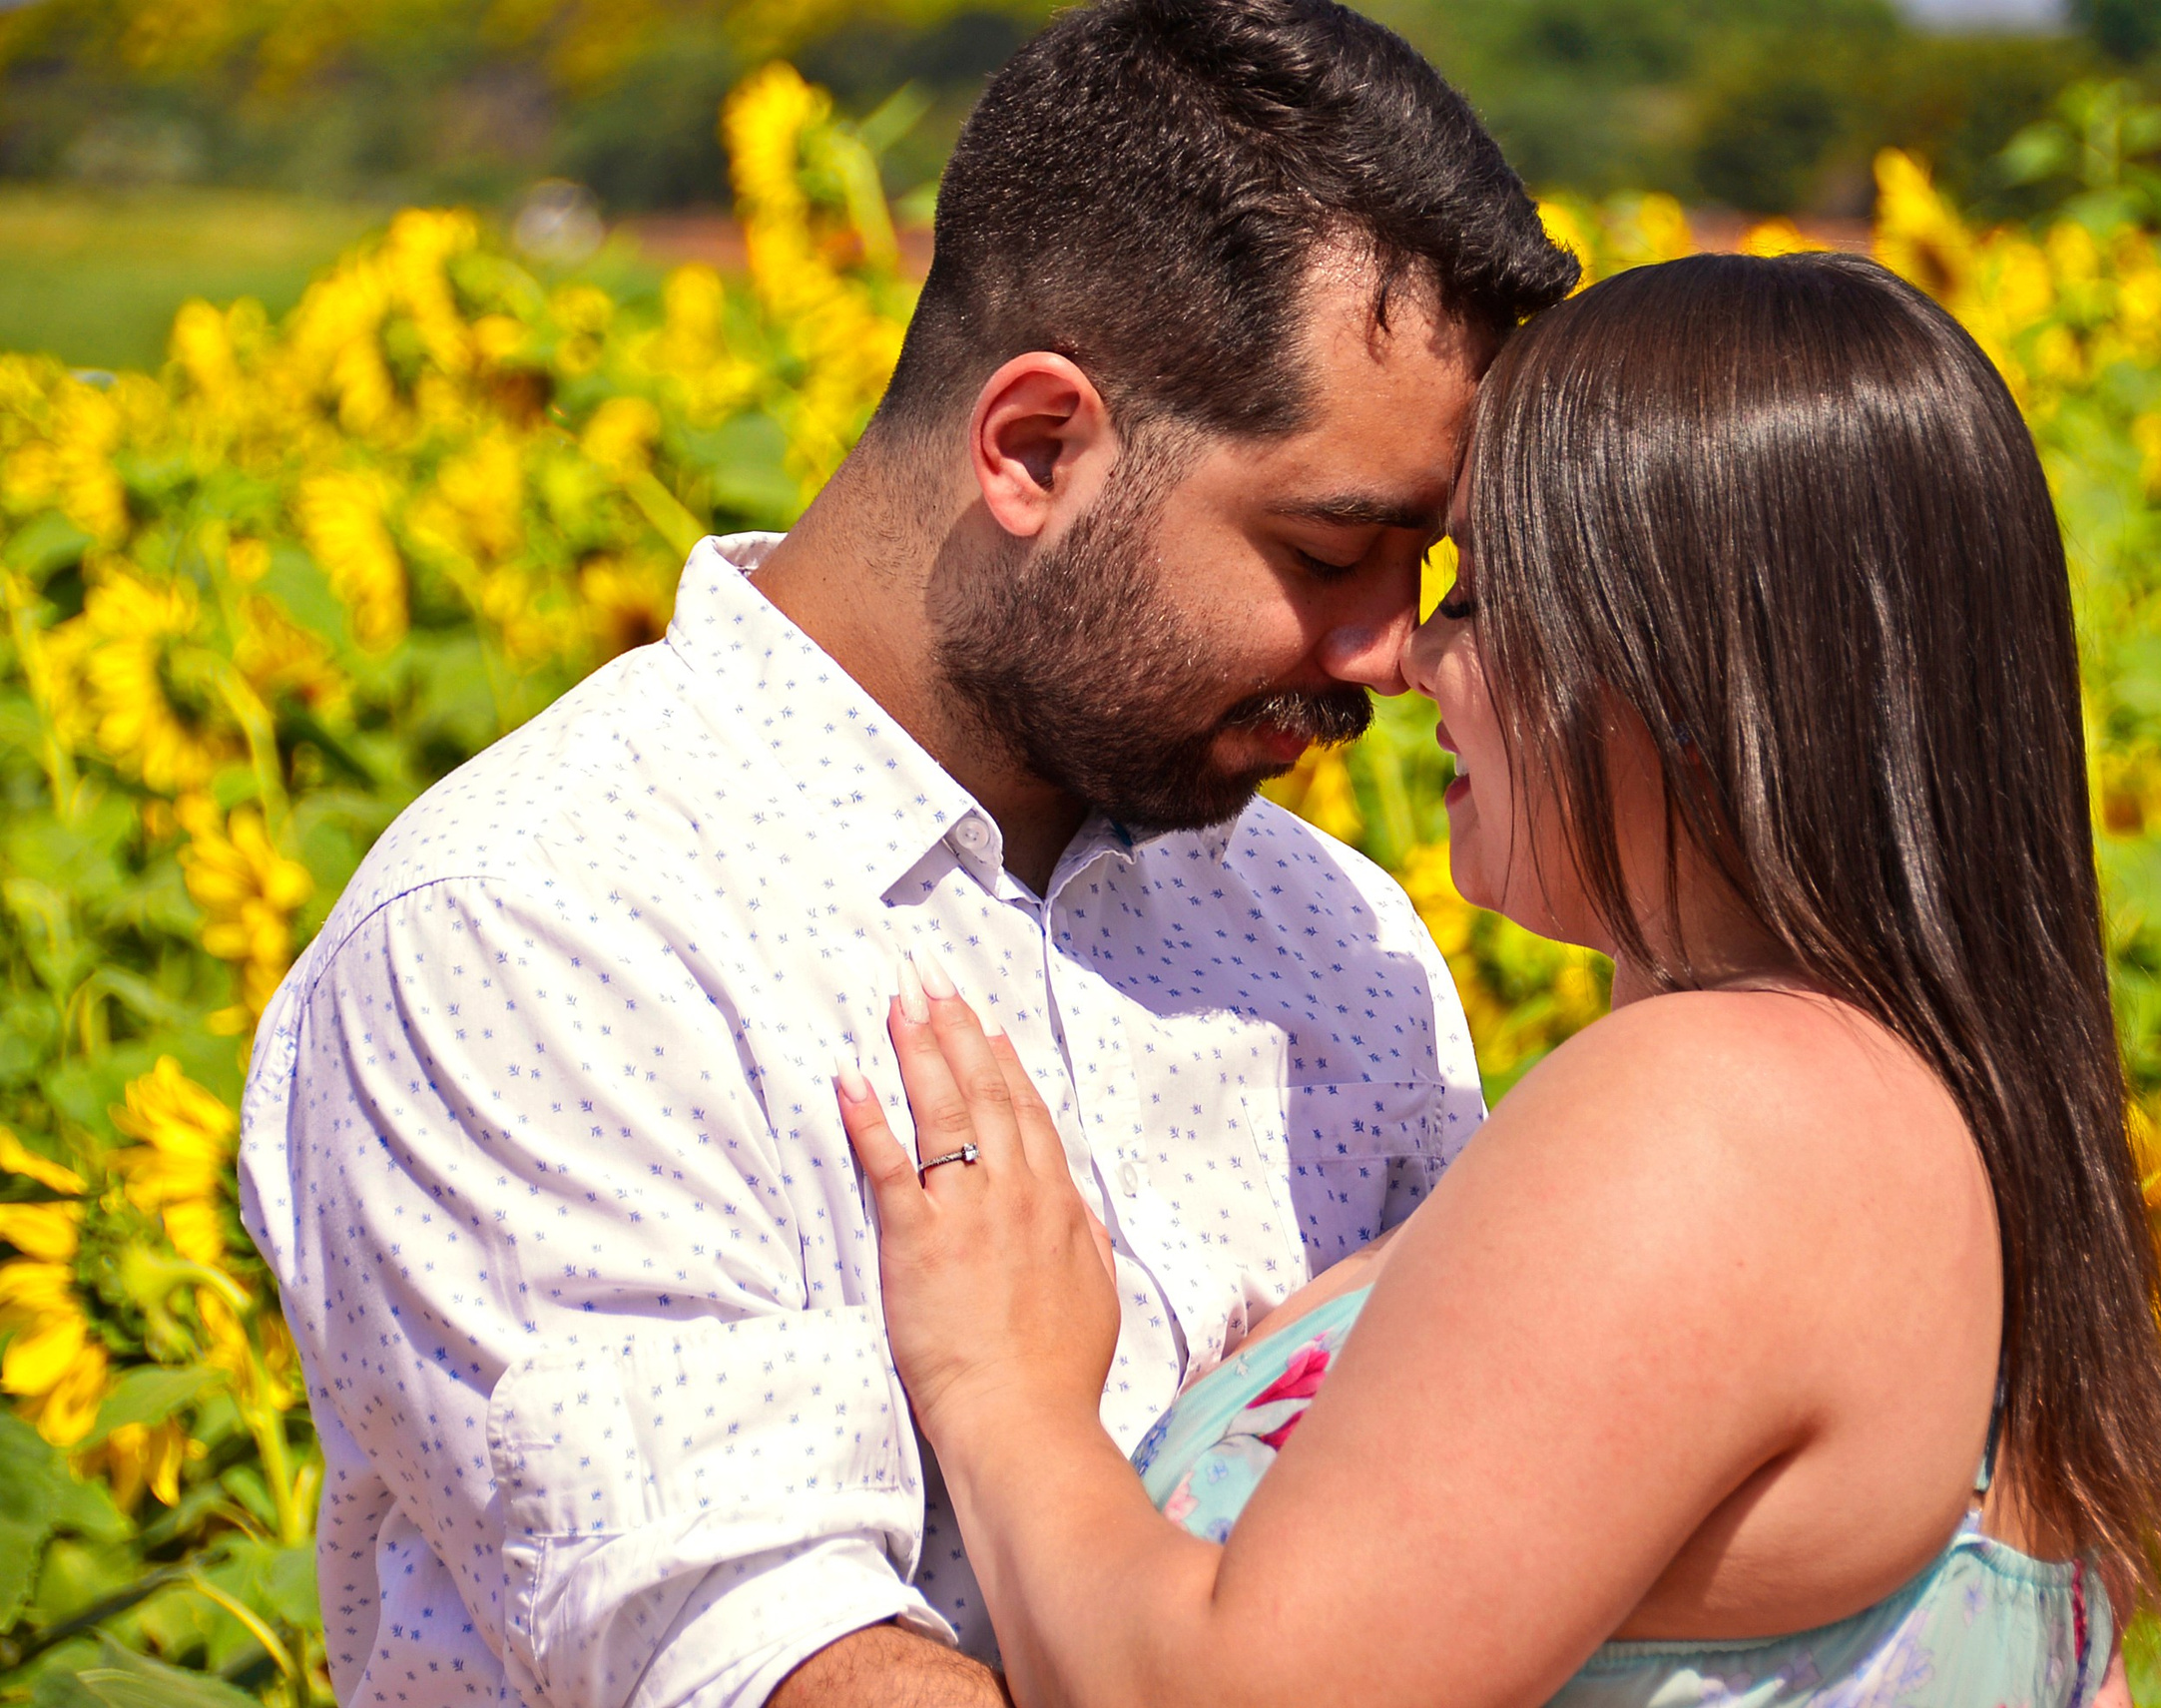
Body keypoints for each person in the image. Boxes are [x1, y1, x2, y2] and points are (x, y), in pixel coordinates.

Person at [235, 4, 1579, 1705]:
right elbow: (772, 1669)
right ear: (1034, 447)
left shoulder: (1335, 937)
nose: (1395, 649)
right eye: (1331, 550)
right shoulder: (537, 936)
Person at [838, 253, 2161, 1707]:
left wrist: (1011, 1400)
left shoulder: (1723, 1116)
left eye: (1485, 591)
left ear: (1694, 667)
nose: (1414, 654)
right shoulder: (1923, 1129)